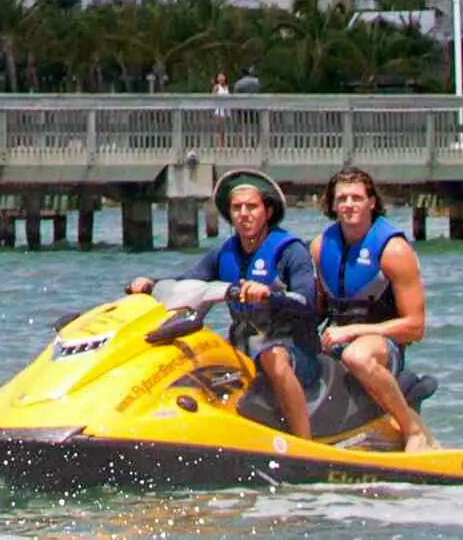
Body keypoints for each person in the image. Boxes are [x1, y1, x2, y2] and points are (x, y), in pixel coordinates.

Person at [127, 168, 320, 438]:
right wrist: (151, 284)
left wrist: (268, 294)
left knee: (272, 357)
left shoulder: (291, 251)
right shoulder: (224, 253)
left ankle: (304, 443)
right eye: (237, 208)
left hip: (295, 351)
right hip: (244, 347)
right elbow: (187, 284)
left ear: (268, 211)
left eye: (252, 207)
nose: (244, 214)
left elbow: (307, 301)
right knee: (196, 353)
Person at [316, 165, 436, 453]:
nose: (348, 205)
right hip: (336, 341)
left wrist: (354, 330)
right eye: (342, 198)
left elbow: (415, 327)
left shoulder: (393, 250)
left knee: (356, 355)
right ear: (332, 204)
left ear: (371, 202)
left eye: (356, 198)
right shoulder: (321, 247)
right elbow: (318, 310)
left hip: (383, 346)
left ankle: (413, 429)